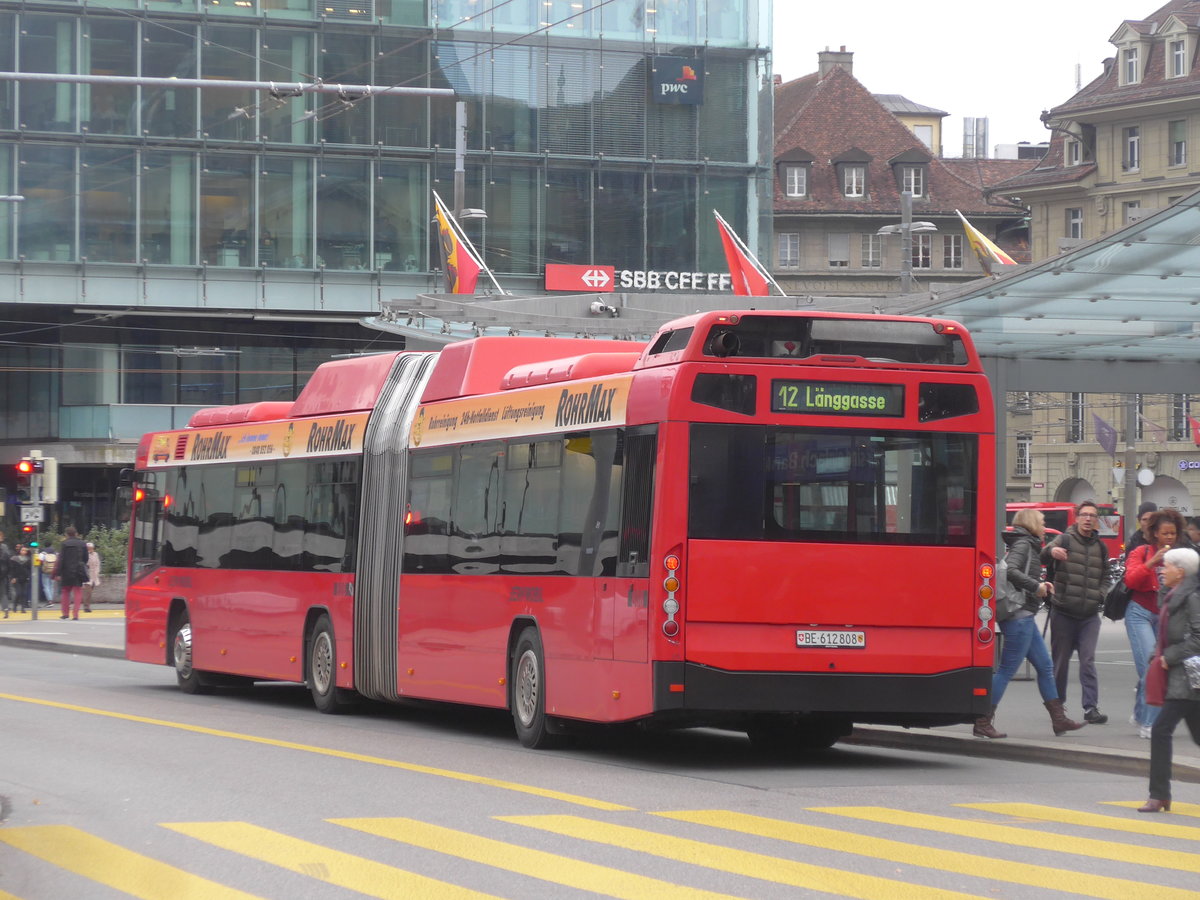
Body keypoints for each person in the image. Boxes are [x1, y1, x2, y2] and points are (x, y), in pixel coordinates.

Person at [974, 508, 1084, 739]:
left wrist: (1039, 585)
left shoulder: (1026, 543)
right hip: (1018, 617)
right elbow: (1011, 571)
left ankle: (1059, 720)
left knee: (1044, 667)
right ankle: (982, 720)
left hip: (1024, 615)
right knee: (1006, 670)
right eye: (1042, 522)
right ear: (1032, 523)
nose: (1044, 526)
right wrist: (1037, 587)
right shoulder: (1024, 544)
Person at [1138, 546, 1200, 813]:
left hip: (1188, 679)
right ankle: (1160, 795)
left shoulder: (1191, 597)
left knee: (1161, 730)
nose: (1162, 570)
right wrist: (1156, 657)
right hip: (1180, 678)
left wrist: (1169, 657)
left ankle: (1159, 794)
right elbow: (1164, 635)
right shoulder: (1172, 595)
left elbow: (1198, 638)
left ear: (1181, 572)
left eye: (1168, 566)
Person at [1042, 499, 1111, 724]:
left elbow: (1106, 577)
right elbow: (1043, 555)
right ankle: (1058, 708)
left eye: (1092, 515)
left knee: (1088, 660)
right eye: (1085, 515)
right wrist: (1053, 551)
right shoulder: (1064, 539)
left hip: (1089, 615)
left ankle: (1091, 708)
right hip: (1063, 612)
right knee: (1060, 663)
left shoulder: (1101, 547)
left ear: (1096, 519)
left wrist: (1100, 595)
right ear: (1077, 518)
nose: (1089, 519)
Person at [1124, 508, 1187, 738]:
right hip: (1139, 612)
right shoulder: (1142, 551)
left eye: (1173, 533)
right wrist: (1152, 561)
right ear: (1155, 534)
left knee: (1156, 667)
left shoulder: (1179, 555)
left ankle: (1140, 714)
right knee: (1151, 668)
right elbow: (1130, 579)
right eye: (1165, 533)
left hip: (1164, 617)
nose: (1170, 537)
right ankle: (1149, 723)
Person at [53, 527, 89, 621]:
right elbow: (86, 558)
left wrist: (58, 573)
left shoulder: (64, 544)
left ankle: (65, 613)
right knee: (77, 591)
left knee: (65, 591)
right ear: (76, 533)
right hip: (78, 570)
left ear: (67, 534)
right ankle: (75, 614)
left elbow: (61, 559)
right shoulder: (82, 543)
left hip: (66, 570)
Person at [9, 545, 30, 612]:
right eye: (22, 550)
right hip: (16, 578)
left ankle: (22, 608)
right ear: (19, 551)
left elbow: (29, 569)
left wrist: (28, 577)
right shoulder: (14, 559)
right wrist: (13, 577)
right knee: (18, 593)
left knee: (24, 593)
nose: (24, 551)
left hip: (25, 578)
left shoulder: (28, 559)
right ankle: (15, 605)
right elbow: (12, 569)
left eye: (25, 550)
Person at [83, 541, 101, 614]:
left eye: (91, 548)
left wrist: (97, 572)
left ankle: (87, 605)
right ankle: (86, 607)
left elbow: (97, 563)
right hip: (87, 575)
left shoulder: (95, 554)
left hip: (94, 575)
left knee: (90, 592)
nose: (90, 549)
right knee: (88, 592)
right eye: (88, 548)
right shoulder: (84, 555)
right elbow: (84, 564)